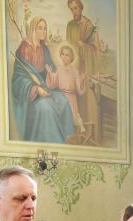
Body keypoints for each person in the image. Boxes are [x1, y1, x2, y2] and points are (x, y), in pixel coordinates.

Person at [10, 16, 74, 143]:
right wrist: (36, 89)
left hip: (45, 87)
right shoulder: (24, 49)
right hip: (31, 95)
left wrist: (51, 76)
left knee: (63, 100)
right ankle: (53, 143)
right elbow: (18, 79)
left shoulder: (44, 49)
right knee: (46, 108)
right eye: (40, 28)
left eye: (45, 29)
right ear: (33, 29)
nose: (43, 31)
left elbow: (51, 71)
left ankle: (68, 138)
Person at [66, 0, 104, 144]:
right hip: (74, 69)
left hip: (87, 68)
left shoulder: (89, 26)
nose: (74, 12)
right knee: (75, 103)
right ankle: (75, 136)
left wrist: (84, 47)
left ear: (81, 8)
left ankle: (89, 137)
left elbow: (96, 49)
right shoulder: (70, 26)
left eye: (76, 8)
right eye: (71, 9)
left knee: (88, 104)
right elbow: (68, 46)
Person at [56, 44, 87, 134]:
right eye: (63, 54)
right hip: (60, 98)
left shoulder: (75, 71)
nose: (64, 57)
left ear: (71, 57)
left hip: (71, 99)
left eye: (67, 55)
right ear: (60, 55)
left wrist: (83, 81)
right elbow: (53, 85)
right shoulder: (58, 69)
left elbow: (80, 92)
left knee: (72, 118)